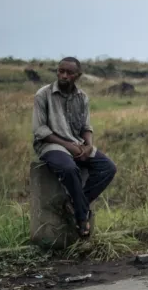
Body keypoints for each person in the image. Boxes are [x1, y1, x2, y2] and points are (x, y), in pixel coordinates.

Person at [32, 57, 118, 238]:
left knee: (108, 167)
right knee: (70, 168)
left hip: (77, 143)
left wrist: (88, 145)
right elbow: (40, 130)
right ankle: (81, 218)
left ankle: (75, 204)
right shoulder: (43, 94)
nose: (63, 76)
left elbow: (86, 127)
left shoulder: (82, 97)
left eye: (69, 73)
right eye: (60, 71)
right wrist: (69, 147)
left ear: (77, 76)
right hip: (51, 145)